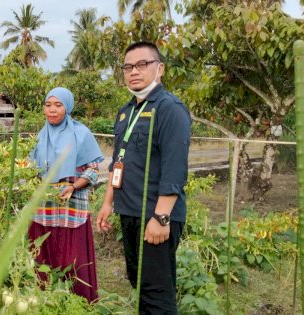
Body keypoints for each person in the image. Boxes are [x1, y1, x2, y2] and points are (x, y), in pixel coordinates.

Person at [96, 41, 191, 314]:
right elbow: (119, 161)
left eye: (142, 64)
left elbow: (175, 168)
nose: (133, 71)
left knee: (157, 295)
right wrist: (107, 203)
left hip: (155, 216)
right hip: (130, 213)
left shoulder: (169, 108)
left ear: (159, 68)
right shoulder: (126, 111)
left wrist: (161, 218)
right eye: (128, 66)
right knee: (140, 285)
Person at [29, 87, 104, 303]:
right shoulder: (40, 136)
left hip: (73, 206)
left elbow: (92, 170)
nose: (52, 110)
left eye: (58, 105)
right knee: (44, 255)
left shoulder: (81, 134)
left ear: (68, 107)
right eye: (48, 105)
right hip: (44, 209)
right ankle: (47, 302)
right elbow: (31, 170)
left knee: (73, 257)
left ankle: (77, 303)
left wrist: (74, 186)